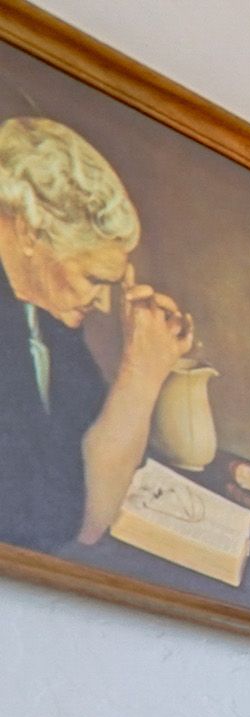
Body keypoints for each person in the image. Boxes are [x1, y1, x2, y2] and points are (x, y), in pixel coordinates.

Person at [0, 115, 190, 557]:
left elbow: (91, 447)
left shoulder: (43, 309)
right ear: (29, 233)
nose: (104, 305)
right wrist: (142, 373)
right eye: (93, 278)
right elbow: (64, 522)